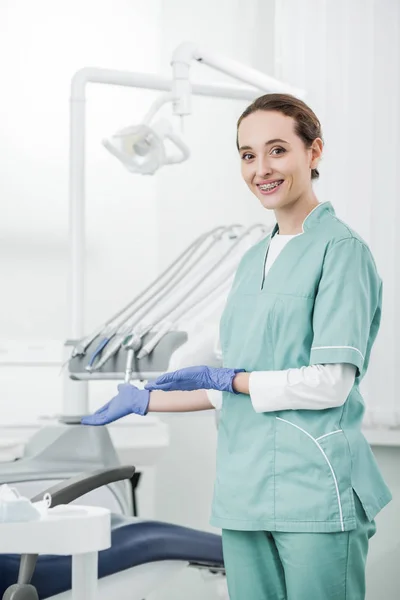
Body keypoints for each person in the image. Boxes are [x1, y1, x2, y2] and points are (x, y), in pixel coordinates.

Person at [82, 94, 392, 600]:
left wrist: (229, 379)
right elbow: (228, 386)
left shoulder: (342, 253)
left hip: (313, 487)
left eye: (277, 150)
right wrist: (143, 399)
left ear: (313, 153)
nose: (261, 169)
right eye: (248, 155)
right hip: (245, 489)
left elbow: (329, 384)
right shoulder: (252, 261)